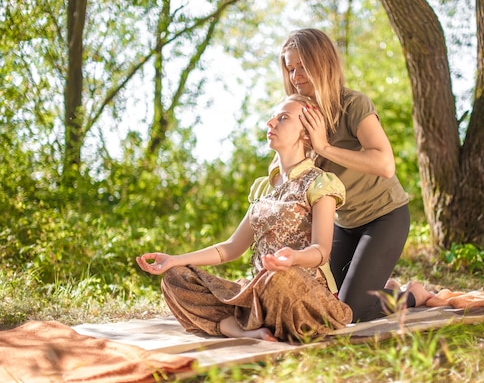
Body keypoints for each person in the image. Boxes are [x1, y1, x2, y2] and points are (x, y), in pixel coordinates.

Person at [136, 94, 352, 342]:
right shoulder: (263, 188)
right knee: (176, 278)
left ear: (306, 133)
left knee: (281, 278)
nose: (271, 123)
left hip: (300, 294)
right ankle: (242, 328)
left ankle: (260, 320)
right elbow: (230, 249)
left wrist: (293, 258)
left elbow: (321, 251)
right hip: (259, 294)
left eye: (283, 118)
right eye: (272, 117)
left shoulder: (320, 183)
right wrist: (175, 260)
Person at [279, 28, 426, 322]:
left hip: (384, 217)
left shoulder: (353, 104)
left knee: (352, 311)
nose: (296, 76)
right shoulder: (300, 115)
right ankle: (382, 287)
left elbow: (385, 164)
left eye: (303, 66)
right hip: (343, 224)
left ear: (322, 63)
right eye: (290, 68)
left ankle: (412, 295)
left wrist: (323, 147)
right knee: (322, 301)